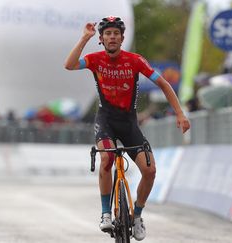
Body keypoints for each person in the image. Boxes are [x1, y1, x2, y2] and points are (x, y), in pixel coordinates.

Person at [64, 16, 190, 241]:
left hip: (129, 123)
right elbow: (69, 64)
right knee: (106, 161)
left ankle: (138, 215)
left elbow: (164, 83)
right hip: (106, 121)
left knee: (150, 171)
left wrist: (180, 113)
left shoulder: (135, 60)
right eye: (108, 34)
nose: (112, 37)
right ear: (101, 39)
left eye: (116, 33)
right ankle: (105, 213)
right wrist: (84, 38)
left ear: (122, 38)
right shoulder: (95, 59)